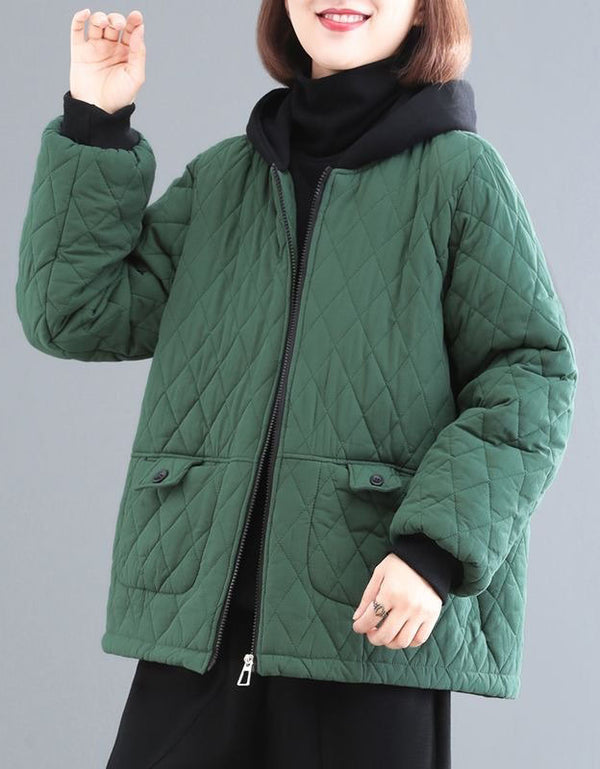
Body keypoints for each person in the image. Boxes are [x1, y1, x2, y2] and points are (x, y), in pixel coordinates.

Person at [15, 2, 578, 767]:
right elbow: (75, 314)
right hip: (202, 627)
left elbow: (533, 372)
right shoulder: (223, 180)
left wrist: (435, 550)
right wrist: (96, 120)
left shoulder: (459, 176)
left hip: (366, 630)